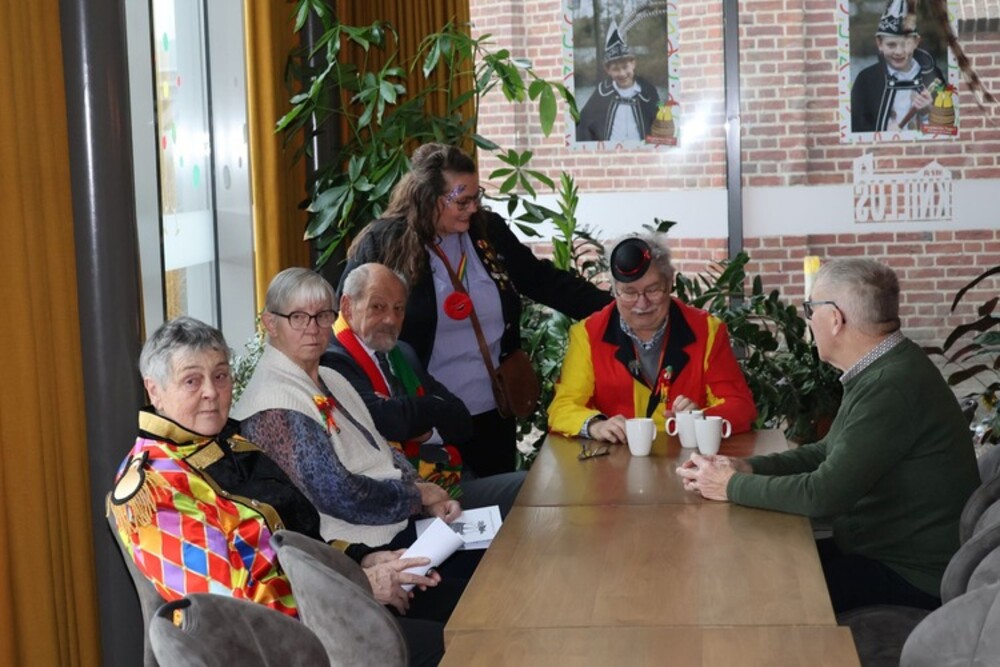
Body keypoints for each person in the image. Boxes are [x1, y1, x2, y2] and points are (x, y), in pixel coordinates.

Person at [109, 316, 448, 665]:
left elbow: (299, 535)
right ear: (155, 391)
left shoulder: (231, 444)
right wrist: (356, 586)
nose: (211, 392)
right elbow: (230, 608)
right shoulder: (154, 487)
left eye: (220, 375)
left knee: (453, 606)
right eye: (192, 380)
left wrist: (362, 559)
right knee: (452, 644)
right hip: (280, 648)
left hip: (324, 613)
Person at [676, 258, 980, 614]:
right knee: (757, 563)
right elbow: (826, 452)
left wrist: (729, 486)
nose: (808, 320)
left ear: (835, 319)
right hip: (880, 552)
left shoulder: (890, 385)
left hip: (911, 575)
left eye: (810, 309)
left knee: (760, 589)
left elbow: (823, 495)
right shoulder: (884, 366)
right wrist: (748, 468)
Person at [339, 143, 611, 477]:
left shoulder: (487, 231)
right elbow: (346, 315)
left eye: (476, 197)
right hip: (427, 419)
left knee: (497, 501)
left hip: (493, 410)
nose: (473, 208)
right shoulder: (385, 242)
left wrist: (616, 309)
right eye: (462, 201)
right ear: (428, 198)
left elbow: (542, 280)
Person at [233, 268, 487, 581]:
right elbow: (339, 495)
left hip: (394, 520)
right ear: (270, 323)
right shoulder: (274, 403)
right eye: (298, 317)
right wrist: (418, 497)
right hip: (361, 548)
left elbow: (384, 451)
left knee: (501, 532)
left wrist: (424, 502)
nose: (313, 328)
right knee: (494, 554)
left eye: (322, 316)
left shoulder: (330, 377)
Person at [321, 262, 525, 516]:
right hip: (399, 500)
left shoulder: (402, 352)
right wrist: (426, 409)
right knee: (524, 490)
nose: (390, 319)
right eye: (378, 307)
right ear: (347, 306)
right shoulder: (332, 359)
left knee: (529, 488)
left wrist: (420, 426)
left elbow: (462, 420)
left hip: (444, 478)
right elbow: (387, 421)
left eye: (398, 309)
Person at [548, 235, 757, 443]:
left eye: (653, 289)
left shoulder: (707, 330)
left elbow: (740, 406)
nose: (642, 303)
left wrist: (700, 419)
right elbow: (562, 408)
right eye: (629, 292)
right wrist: (596, 425)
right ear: (614, 290)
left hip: (688, 457)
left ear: (670, 282)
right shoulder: (588, 334)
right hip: (615, 458)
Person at [851, 0, 945, 133]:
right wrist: (884, 133)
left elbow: (948, 129)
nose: (899, 52)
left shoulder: (933, 77)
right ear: (879, 44)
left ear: (916, 42)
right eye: (891, 45)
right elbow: (855, 128)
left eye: (906, 44)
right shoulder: (865, 80)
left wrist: (927, 113)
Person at [576, 19, 660, 142]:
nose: (622, 74)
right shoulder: (601, 93)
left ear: (633, 64)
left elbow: (660, 125)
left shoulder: (648, 92)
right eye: (615, 69)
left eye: (625, 67)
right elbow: (583, 127)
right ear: (607, 70)